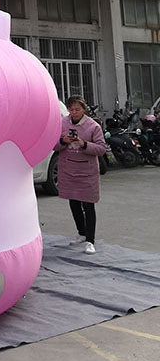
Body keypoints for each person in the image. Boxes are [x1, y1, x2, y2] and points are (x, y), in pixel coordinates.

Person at [54, 95, 107, 254]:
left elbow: (101, 148)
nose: (74, 112)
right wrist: (64, 141)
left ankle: (90, 240)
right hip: (68, 170)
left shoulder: (93, 127)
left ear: (84, 109)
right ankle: (81, 233)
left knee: (88, 204)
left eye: (77, 109)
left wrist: (83, 144)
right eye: (71, 109)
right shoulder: (62, 123)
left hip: (86, 171)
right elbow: (53, 145)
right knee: (74, 202)